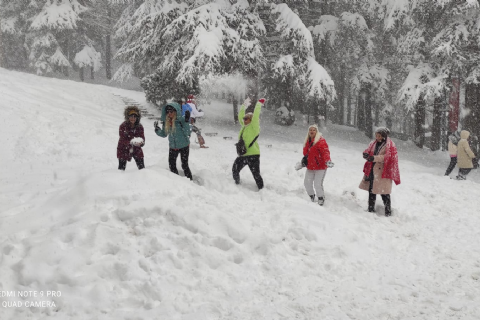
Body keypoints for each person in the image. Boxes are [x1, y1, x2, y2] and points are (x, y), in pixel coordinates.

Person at [359, 127, 401, 217]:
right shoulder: (373, 143)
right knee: (371, 190)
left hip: (383, 171)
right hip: (372, 170)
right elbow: (368, 150)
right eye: (376, 135)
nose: (377, 137)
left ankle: (388, 212)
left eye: (379, 136)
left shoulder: (390, 145)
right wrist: (365, 154)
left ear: (383, 136)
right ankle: (370, 209)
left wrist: (374, 158)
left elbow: (387, 157)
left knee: (384, 193)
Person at [232, 97, 265, 190]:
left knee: (256, 174)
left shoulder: (254, 127)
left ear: (251, 119)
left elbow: (256, 116)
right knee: (235, 169)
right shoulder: (244, 126)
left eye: (246, 118)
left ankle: (262, 189)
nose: (244, 120)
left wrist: (258, 104)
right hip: (243, 154)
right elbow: (240, 117)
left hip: (253, 155)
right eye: (244, 118)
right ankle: (236, 184)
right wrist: (244, 106)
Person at [154, 102, 193, 180]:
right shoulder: (167, 121)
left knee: (184, 165)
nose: (169, 113)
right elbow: (164, 134)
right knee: (172, 165)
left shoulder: (181, 120)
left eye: (171, 111)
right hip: (173, 147)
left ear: (176, 111)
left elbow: (188, 132)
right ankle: (176, 181)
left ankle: (190, 181)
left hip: (184, 146)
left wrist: (186, 122)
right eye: (168, 111)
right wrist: (157, 130)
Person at [302, 124, 334, 206]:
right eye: (310, 130)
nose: (312, 131)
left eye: (314, 130)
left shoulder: (321, 141)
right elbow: (306, 154)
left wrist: (328, 160)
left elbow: (325, 152)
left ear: (317, 131)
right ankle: (311, 196)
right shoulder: (307, 141)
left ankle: (320, 198)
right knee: (307, 182)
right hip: (310, 166)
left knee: (317, 184)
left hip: (320, 167)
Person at [117, 106, 145, 170]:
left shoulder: (140, 127)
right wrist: (131, 142)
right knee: (121, 169)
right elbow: (122, 139)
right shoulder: (123, 126)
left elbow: (142, 137)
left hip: (137, 149)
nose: (133, 118)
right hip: (123, 149)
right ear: (128, 117)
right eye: (131, 116)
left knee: (142, 168)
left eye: (135, 116)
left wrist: (142, 143)